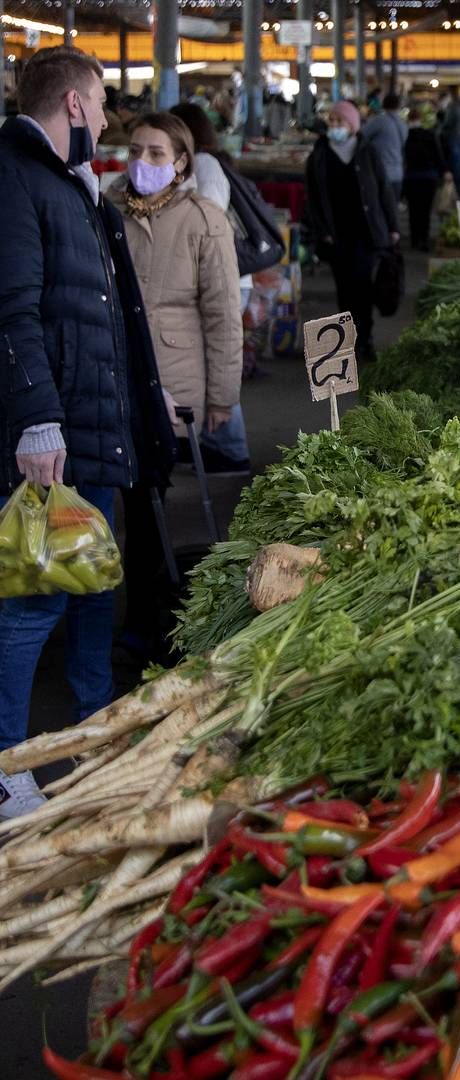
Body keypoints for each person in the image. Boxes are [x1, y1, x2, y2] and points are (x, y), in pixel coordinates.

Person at [0, 47, 175, 816]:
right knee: (37, 597)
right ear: (73, 105)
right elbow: (13, 310)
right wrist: (38, 420)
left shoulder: (75, 187)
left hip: (95, 430)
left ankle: (94, 726)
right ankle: (8, 764)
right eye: (102, 103)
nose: (108, 118)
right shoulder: (15, 178)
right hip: (54, 436)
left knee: (95, 585)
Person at [111, 113, 242, 660]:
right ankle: (137, 617)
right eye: (136, 150)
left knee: (155, 506)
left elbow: (223, 315)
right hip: (115, 375)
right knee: (130, 502)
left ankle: (152, 622)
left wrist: (221, 397)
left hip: (176, 380)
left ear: (182, 162)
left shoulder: (204, 221)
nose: (143, 162)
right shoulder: (107, 210)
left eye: (157, 153)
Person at [169, 101, 253, 473]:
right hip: (211, 279)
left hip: (219, 279)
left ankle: (231, 449)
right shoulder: (203, 164)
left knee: (218, 359)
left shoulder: (205, 166)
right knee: (202, 361)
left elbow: (208, 223)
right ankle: (208, 442)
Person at [304, 100, 400, 360]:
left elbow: (384, 191)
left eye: (340, 121)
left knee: (363, 288)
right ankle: (346, 342)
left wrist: (393, 226)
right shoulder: (319, 156)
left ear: (353, 125)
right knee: (344, 289)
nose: (334, 126)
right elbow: (312, 199)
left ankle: (365, 339)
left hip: (367, 233)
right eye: (332, 121)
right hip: (337, 236)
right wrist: (320, 229)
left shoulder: (368, 152)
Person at [404, 105, 448, 251]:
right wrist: (444, 172)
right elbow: (438, 156)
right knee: (425, 211)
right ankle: (424, 238)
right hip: (429, 177)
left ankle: (415, 239)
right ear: (421, 119)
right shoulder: (430, 134)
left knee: (413, 210)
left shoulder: (405, 136)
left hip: (411, 178)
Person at [363, 91, 409, 202]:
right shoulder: (403, 124)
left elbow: (361, 135)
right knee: (392, 209)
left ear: (383, 104)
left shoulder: (379, 121)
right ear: (398, 106)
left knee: (379, 210)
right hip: (398, 174)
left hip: (380, 173)